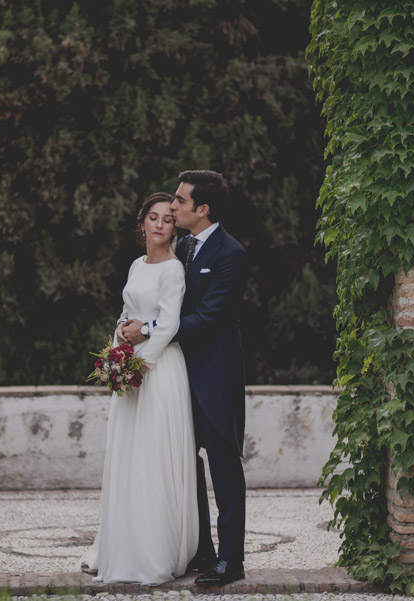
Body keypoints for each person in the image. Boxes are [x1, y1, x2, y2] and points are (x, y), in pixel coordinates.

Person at [121, 170, 248, 586]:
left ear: (203, 208)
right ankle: (200, 549)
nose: (172, 207)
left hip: (214, 376)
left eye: (180, 201)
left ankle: (230, 560)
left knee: (223, 467)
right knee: (183, 465)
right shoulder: (183, 246)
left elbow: (208, 318)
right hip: (175, 376)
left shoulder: (230, 254)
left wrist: (148, 330)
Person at [80, 192, 199, 585]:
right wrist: (119, 344)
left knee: (153, 456)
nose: (160, 224)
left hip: (159, 371)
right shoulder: (136, 265)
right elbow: (126, 313)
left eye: (168, 219)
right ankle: (121, 545)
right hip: (131, 368)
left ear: (175, 228)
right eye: (153, 217)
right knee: (128, 455)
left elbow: (169, 324)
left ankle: (153, 551)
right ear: (142, 223)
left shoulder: (174, 270)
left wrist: (140, 363)